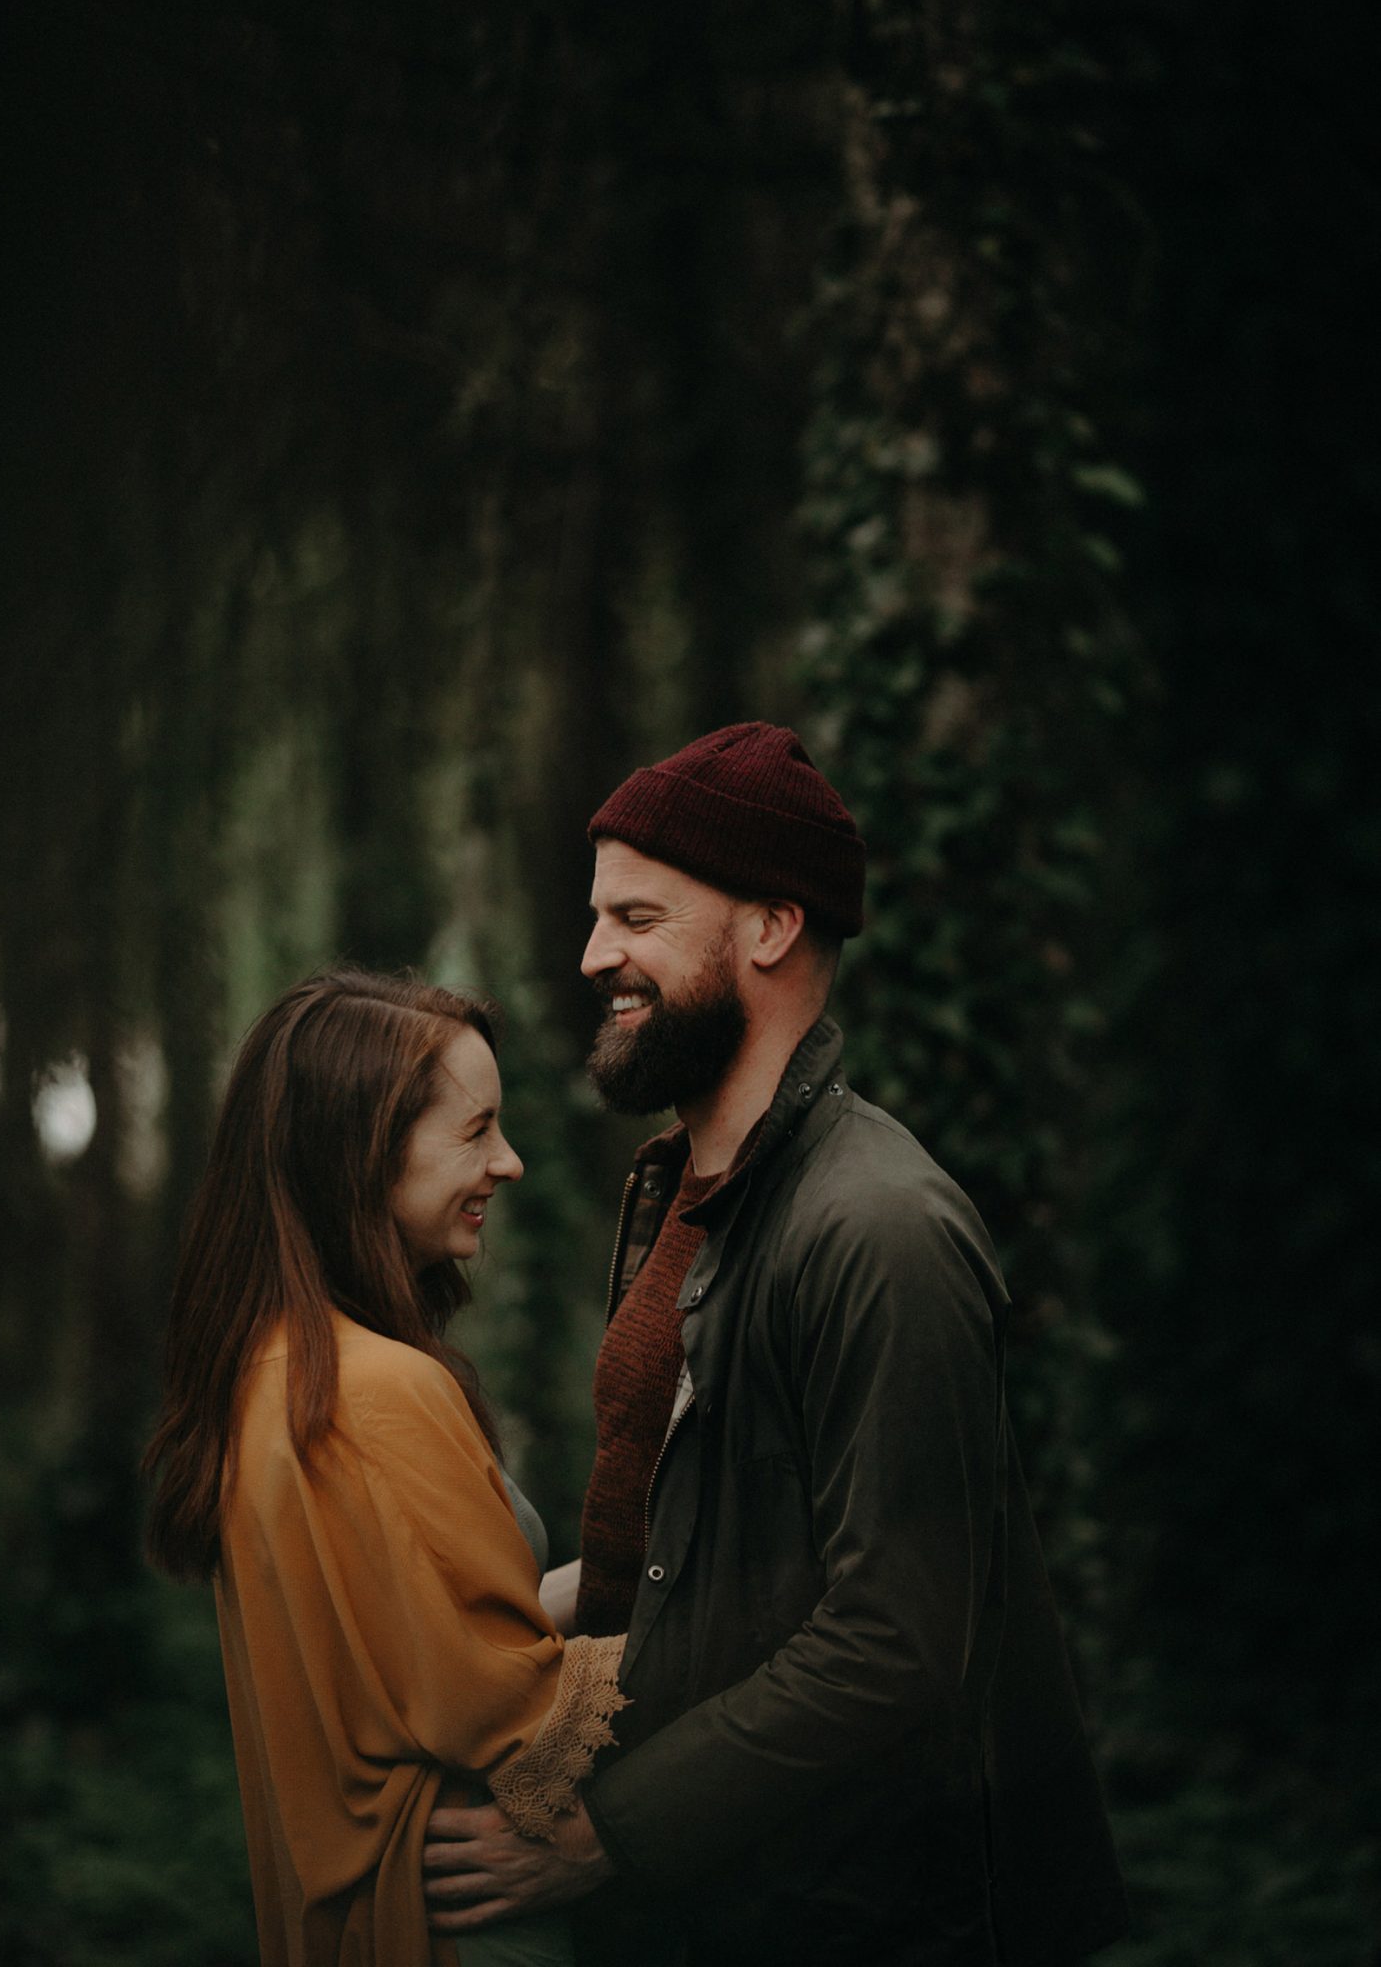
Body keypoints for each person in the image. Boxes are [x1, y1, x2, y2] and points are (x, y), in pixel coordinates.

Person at [423, 722, 1128, 1966]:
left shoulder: (881, 1228)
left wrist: (609, 1831)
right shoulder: (679, 1193)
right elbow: (684, 1550)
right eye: (598, 919)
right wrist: (469, 1620)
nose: (594, 955)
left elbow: (898, 1639)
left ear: (770, 927)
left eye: (636, 918)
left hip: (849, 1919)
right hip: (704, 1914)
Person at [143, 968, 626, 1967]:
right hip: (466, 1923)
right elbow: (518, 1729)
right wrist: (755, 1634)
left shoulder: (273, 1371)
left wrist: (636, 1575)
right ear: (362, 1150)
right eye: (476, 1129)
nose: (511, 1161)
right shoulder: (377, 1390)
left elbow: (409, 1648)